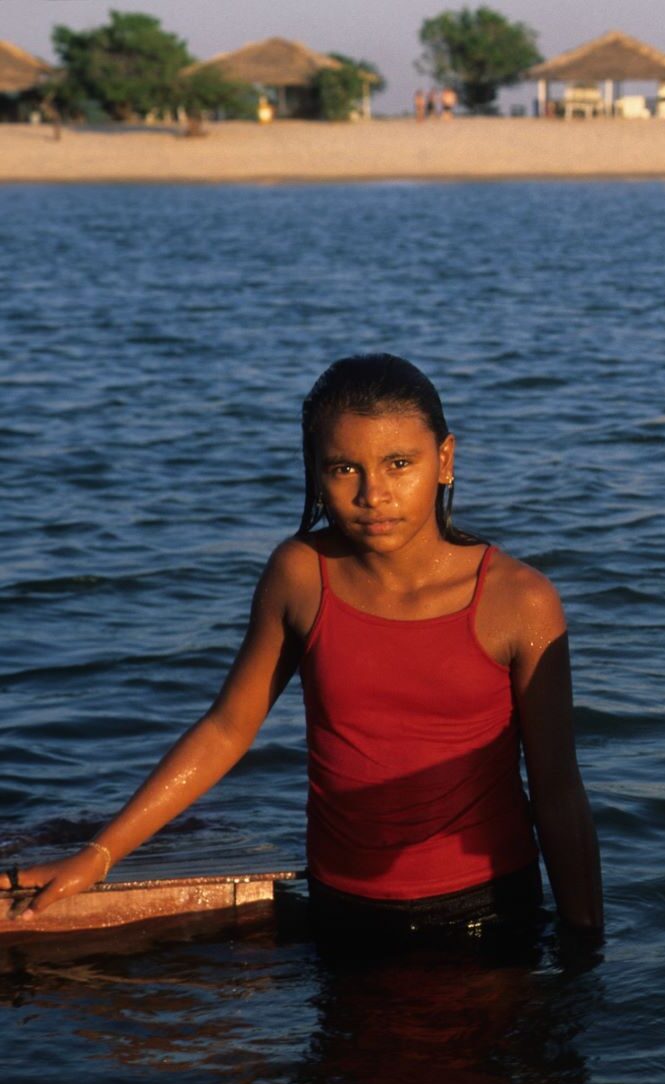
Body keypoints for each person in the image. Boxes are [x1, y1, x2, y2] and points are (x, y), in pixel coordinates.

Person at [1, 354, 602, 934]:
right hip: (341, 907)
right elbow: (227, 729)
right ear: (315, 469)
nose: (374, 493)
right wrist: (98, 857)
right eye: (345, 469)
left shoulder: (518, 599)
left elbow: (556, 783)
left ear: (444, 460)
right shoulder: (300, 575)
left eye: (399, 464)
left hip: (484, 913)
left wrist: (585, 941)